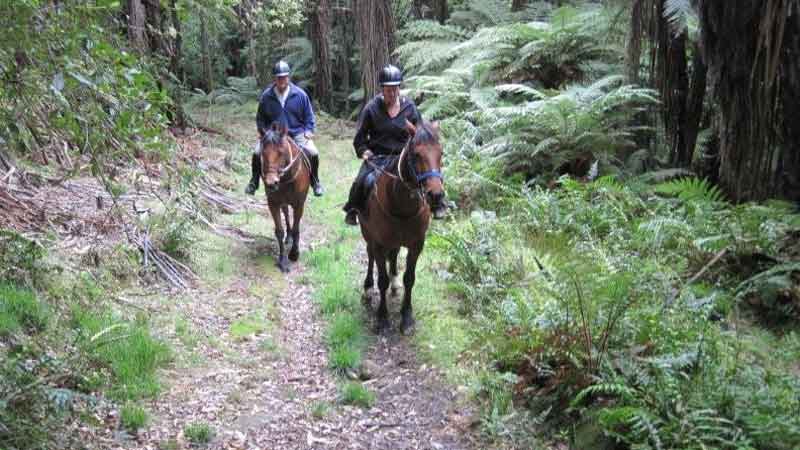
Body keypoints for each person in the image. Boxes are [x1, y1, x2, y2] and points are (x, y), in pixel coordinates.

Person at [344, 64, 433, 225]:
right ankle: (354, 209)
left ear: (399, 88)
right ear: (382, 89)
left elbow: (420, 135)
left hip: (403, 158)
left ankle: (436, 205)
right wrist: (364, 151)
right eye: (388, 89)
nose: (392, 93)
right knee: (363, 180)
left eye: (395, 88)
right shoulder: (371, 108)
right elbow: (360, 139)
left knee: (427, 177)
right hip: (378, 158)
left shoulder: (410, 108)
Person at [246, 60, 324, 196]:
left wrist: (309, 130)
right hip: (274, 136)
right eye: (278, 77)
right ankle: (254, 181)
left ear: (288, 77)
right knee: (257, 152)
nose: (281, 80)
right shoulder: (266, 96)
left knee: (313, 152)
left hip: (297, 132)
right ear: (274, 78)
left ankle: (315, 181)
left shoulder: (300, 95)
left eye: (284, 77)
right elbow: (260, 118)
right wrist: (262, 132)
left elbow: (309, 117)